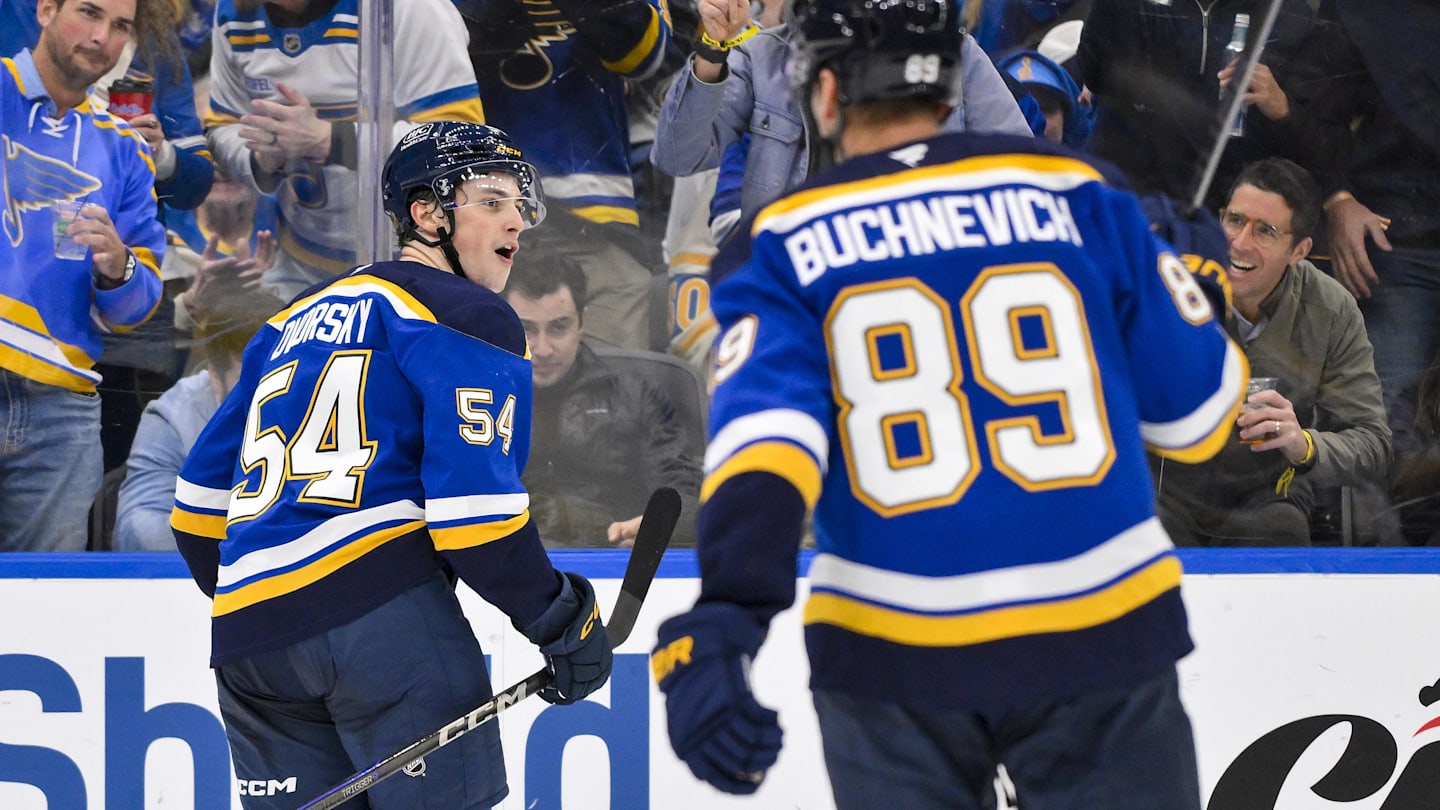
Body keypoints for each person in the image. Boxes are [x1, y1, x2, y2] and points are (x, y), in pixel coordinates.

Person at [649, 1, 1247, 808]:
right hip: (1101, 633)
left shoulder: (783, 240)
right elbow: (1199, 421)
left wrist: (730, 615)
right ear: (952, 87)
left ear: (823, 97)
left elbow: (768, 447)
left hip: (891, 652)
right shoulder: (1084, 195)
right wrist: (1196, 285)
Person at [170, 122, 612, 808]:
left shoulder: (287, 323)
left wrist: (269, 605)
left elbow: (197, 508)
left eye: (518, 205)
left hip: (251, 644)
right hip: (385, 627)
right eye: (491, 200)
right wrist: (561, 621)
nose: (516, 221)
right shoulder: (465, 312)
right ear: (427, 213)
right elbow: (476, 522)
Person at [1153, 158, 1391, 547]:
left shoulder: (1332, 309)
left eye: (1265, 231)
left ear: (1300, 250)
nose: (1240, 242)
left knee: (1280, 527)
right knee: (1144, 533)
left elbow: (1373, 442)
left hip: (1268, 497)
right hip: (1171, 495)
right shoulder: (1168, 284)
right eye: (1234, 220)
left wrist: (1304, 445)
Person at [0, 0, 167, 551]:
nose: (101, 37)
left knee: (46, 610)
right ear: (46, 9)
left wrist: (119, 268)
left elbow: (135, 309)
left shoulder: (124, 151)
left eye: (119, 26)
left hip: (62, 411)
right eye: (89, 14)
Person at [205, 0, 485, 301]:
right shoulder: (234, 11)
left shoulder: (410, 7)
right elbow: (221, 126)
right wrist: (259, 157)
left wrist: (331, 140)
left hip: (414, 268)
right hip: (299, 267)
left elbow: (462, 143)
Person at [459, 0, 676, 350]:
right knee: (478, 378)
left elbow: (644, 52)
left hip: (593, 209)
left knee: (612, 382)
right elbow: (437, 41)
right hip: (481, 211)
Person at [502, 251, 702, 548]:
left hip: (615, 564)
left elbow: (683, 493)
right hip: (509, 564)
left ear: (582, 322)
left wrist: (659, 527)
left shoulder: (638, 396)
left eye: (558, 327)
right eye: (526, 328)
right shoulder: (479, 399)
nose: (542, 349)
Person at [1305, 0, 1440, 429]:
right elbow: (1314, 107)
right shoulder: (1363, 10)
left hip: (1402, 232)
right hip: (1397, 237)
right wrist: (1337, 198)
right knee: (1381, 420)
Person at [1074, 0, 1316, 212]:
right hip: (1129, 193)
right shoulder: (1137, 5)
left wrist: (1282, 106)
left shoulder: (1285, 12)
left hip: (1229, 208)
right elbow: (1095, 75)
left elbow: (1314, 140)